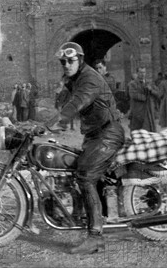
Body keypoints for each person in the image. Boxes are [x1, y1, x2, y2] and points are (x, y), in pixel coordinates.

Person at [45, 42, 124, 254]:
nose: (66, 64)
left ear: (80, 60)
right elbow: (64, 101)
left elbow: (78, 102)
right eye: (63, 62)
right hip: (94, 134)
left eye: (71, 60)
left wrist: (53, 123)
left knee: (86, 176)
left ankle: (95, 237)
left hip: (109, 133)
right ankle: (87, 216)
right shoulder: (74, 79)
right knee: (71, 166)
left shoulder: (89, 78)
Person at [127, 66, 160, 132]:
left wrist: (151, 90)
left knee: (149, 132)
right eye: (140, 72)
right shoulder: (132, 84)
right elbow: (133, 95)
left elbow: (158, 93)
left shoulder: (149, 83)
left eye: (144, 72)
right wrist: (145, 98)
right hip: (137, 112)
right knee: (137, 132)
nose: (142, 74)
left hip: (149, 112)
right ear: (137, 73)